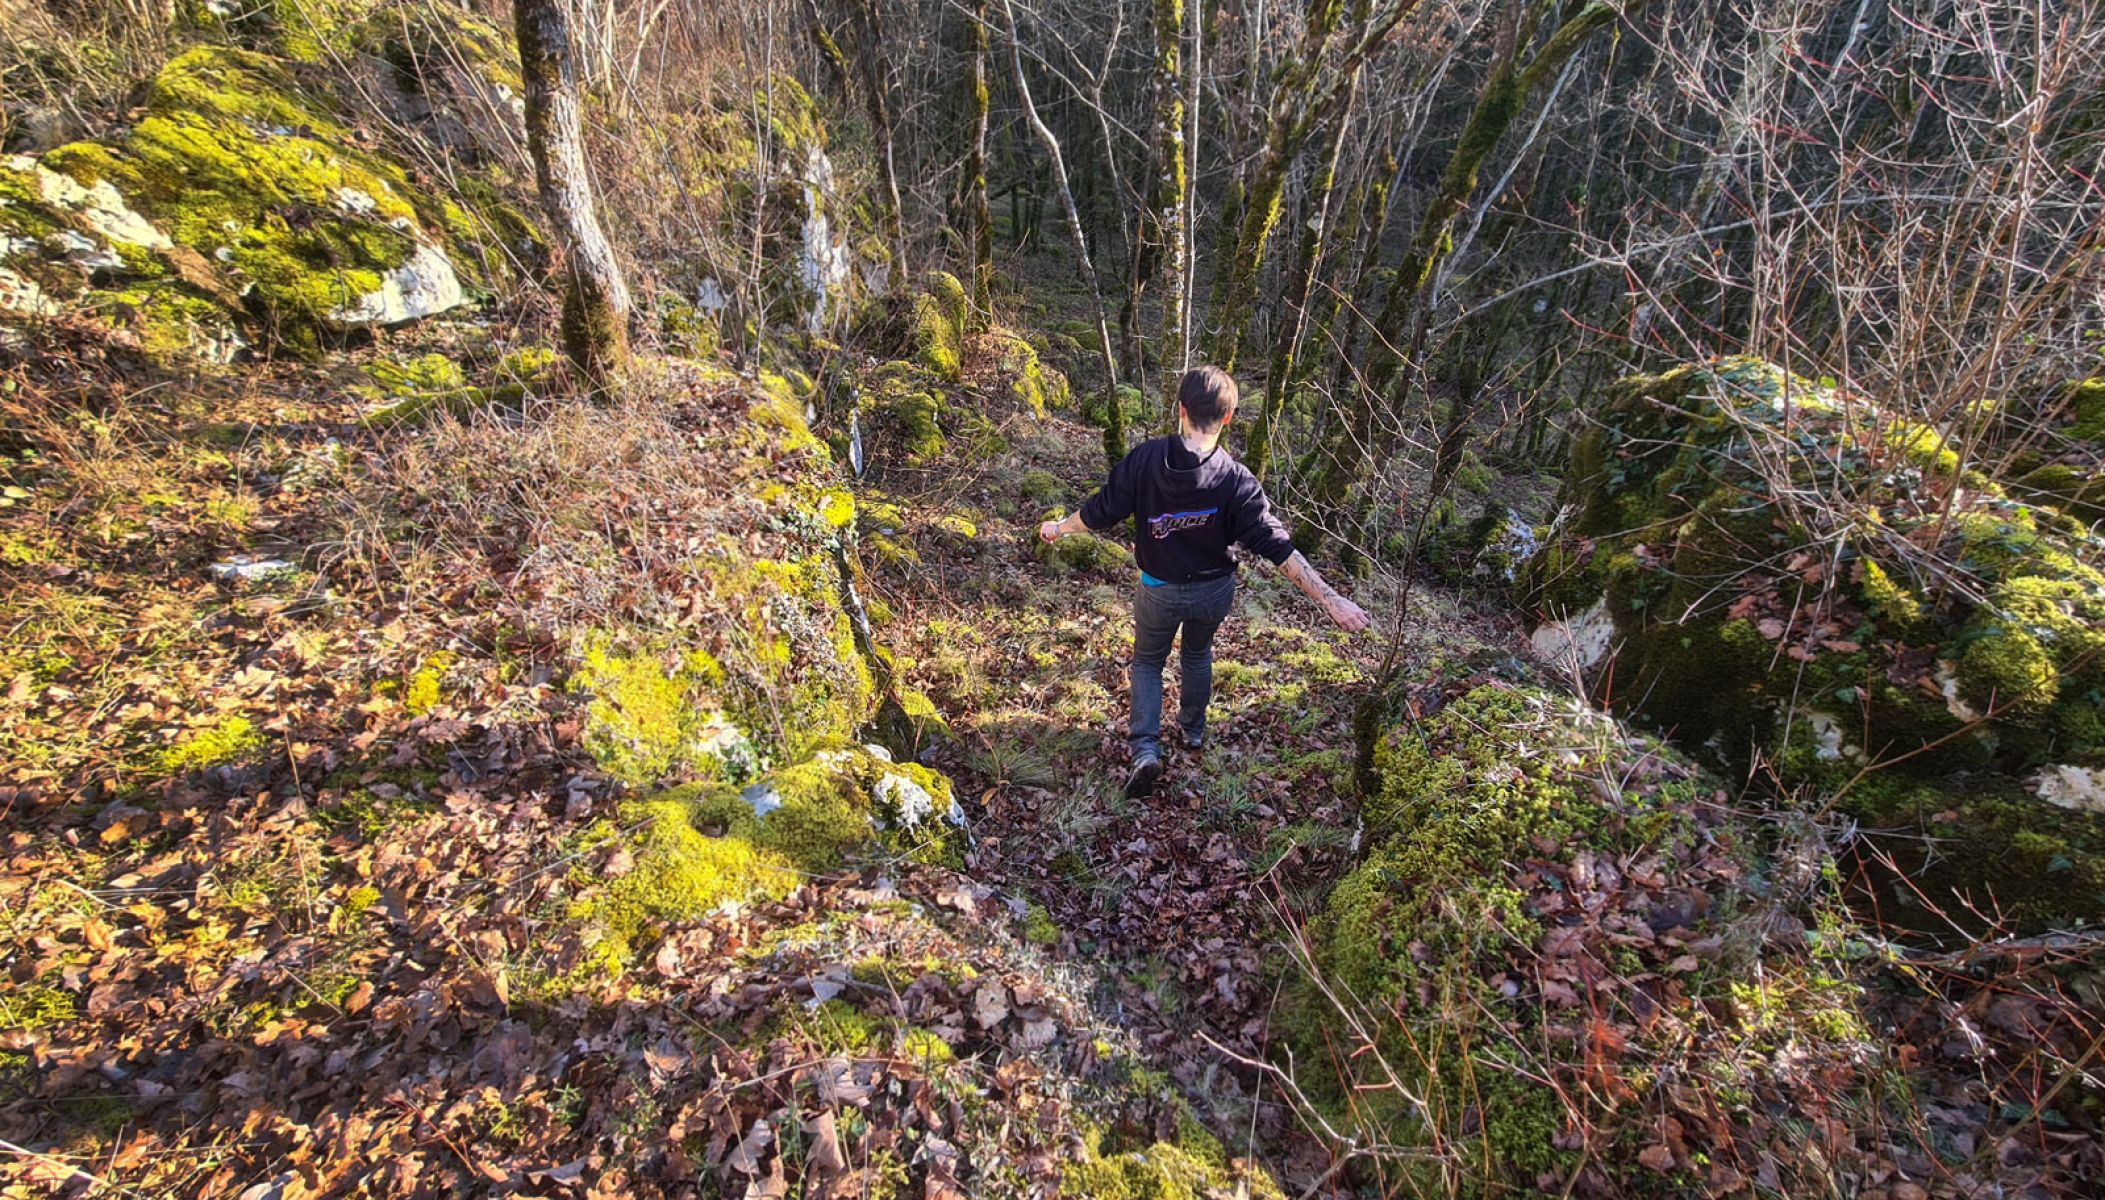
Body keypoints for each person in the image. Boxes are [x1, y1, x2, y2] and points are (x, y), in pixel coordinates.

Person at [1039, 365, 1370, 799]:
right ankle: (1192, 733)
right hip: (1214, 592)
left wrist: (1059, 528)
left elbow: (1100, 512)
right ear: (1228, 418)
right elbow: (1278, 547)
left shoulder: (1145, 460)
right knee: (1197, 654)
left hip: (1158, 589)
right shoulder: (1237, 481)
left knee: (1147, 664)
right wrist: (1332, 601)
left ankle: (1145, 750)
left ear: (1181, 410)